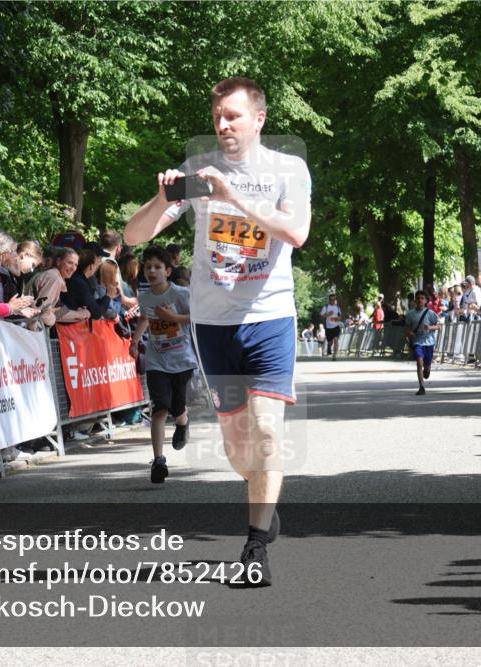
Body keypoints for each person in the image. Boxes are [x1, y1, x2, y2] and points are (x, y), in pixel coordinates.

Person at [124, 76, 310, 586]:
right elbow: (134, 235)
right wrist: (161, 198)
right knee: (237, 447)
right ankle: (263, 498)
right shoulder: (198, 171)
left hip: (269, 317)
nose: (223, 125)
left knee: (268, 430)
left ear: (259, 119)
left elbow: (296, 232)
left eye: (233, 116)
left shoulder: (287, 170)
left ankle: (255, 546)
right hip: (214, 325)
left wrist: (233, 195)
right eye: (217, 117)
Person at [129, 246, 196, 483]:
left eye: (157, 267)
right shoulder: (144, 296)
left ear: (168, 271)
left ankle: (183, 423)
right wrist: (134, 341)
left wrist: (173, 318)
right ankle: (158, 460)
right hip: (157, 360)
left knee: (178, 407)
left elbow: (197, 318)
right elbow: (145, 318)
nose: (152, 271)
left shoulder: (181, 294)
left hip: (182, 359)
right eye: (148, 267)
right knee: (159, 409)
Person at [59, 246, 118, 319]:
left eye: (75, 264)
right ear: (91, 266)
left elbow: (94, 305)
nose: (73, 268)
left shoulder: (80, 279)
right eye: (70, 263)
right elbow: (96, 313)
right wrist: (108, 296)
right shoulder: (78, 282)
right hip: (61, 324)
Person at [405, 290, 441, 395]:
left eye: (422, 298)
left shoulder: (430, 313)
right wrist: (410, 333)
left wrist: (430, 327)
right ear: (415, 300)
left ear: (426, 301)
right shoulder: (410, 314)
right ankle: (421, 387)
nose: (420, 300)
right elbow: (406, 327)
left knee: (427, 364)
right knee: (419, 362)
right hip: (417, 341)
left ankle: (427, 369)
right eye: (418, 298)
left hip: (429, 342)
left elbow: (439, 326)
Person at [320, 293, 342, 357]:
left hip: (336, 326)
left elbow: (340, 316)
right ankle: (329, 346)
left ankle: (334, 355)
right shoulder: (326, 307)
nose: (332, 301)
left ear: (335, 300)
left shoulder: (337, 307)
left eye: (333, 299)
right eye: (331, 300)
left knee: (336, 340)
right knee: (330, 342)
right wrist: (328, 314)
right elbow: (321, 315)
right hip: (328, 327)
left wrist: (337, 319)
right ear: (329, 300)